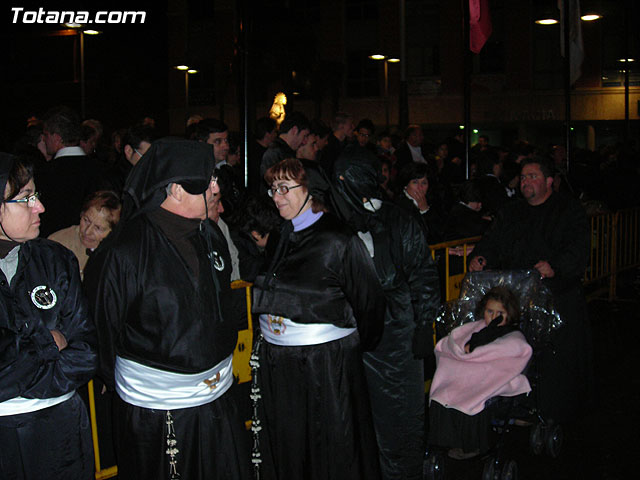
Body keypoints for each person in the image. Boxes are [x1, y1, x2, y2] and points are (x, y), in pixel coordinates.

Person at [84, 139, 249, 480]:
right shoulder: (122, 253)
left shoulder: (212, 235)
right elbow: (101, 330)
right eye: (207, 181)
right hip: (157, 414)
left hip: (219, 402)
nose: (216, 187)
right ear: (174, 189)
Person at [251, 157, 386, 479]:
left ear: (309, 189)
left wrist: (346, 349)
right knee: (290, 441)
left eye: (285, 187)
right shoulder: (280, 235)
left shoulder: (338, 239)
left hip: (324, 363)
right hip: (280, 361)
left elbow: (371, 303)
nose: (276, 196)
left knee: (329, 444)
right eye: (272, 188)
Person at [333, 147, 440, 480]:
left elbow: (423, 274)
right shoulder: (338, 222)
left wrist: (424, 324)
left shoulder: (398, 220)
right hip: (351, 336)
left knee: (398, 418)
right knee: (355, 418)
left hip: (394, 337)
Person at [469, 156, 591, 423]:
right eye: (523, 177)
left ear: (549, 181)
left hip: (556, 294)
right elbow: (492, 240)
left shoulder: (569, 211)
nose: (526, 182)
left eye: (533, 176)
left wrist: (555, 266)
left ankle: (553, 408)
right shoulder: (511, 211)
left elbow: (577, 248)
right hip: (516, 295)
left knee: (554, 357)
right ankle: (515, 405)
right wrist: (480, 257)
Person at [0, 153, 97, 479]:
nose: (39, 207)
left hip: (59, 432)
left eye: (36, 195)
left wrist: (20, 371)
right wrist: (48, 344)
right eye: (25, 199)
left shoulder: (55, 259)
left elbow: (86, 351)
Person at [429, 286, 532, 460]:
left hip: (486, 374)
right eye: (489, 311)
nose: (494, 316)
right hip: (465, 370)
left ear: (510, 313)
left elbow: (515, 351)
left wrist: (474, 354)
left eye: (500, 312)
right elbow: (455, 340)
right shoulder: (476, 328)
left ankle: (472, 444)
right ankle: (447, 438)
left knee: (472, 394)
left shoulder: (512, 335)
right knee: (444, 392)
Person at [48, 190, 121, 279]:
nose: (87, 232)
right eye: (86, 220)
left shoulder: (118, 257)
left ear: (113, 232)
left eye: (98, 228)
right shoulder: (56, 244)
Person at [395, 162, 444, 244]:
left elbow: (439, 234)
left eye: (424, 183)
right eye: (415, 182)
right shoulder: (399, 206)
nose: (420, 187)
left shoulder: (433, 203)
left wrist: (425, 210)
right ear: (406, 185)